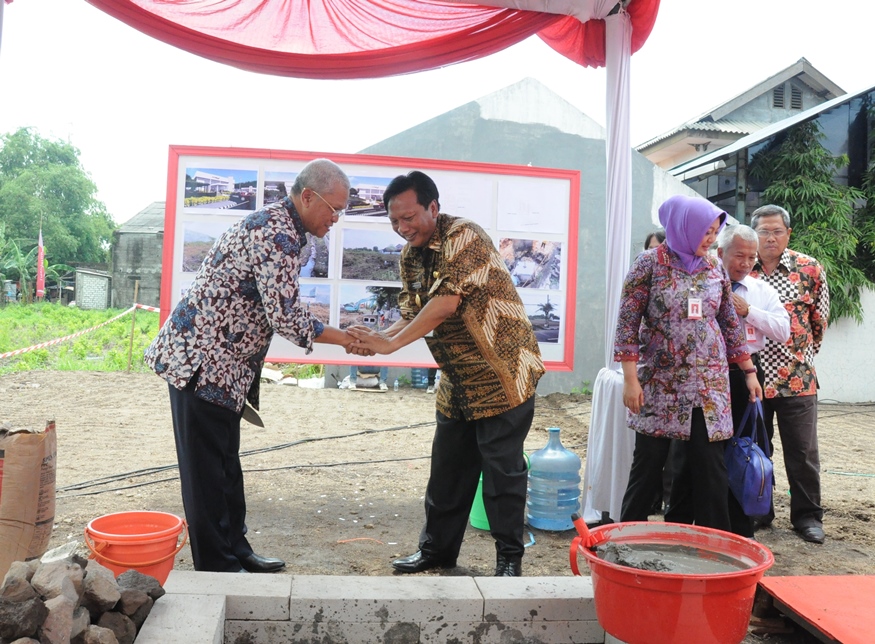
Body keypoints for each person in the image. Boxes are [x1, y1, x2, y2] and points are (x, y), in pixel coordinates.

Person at [145, 158, 363, 573]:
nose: (337, 218)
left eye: (343, 210)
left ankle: (237, 549)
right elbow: (285, 315)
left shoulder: (292, 231)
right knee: (206, 472)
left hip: (226, 368)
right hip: (201, 362)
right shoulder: (276, 232)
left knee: (226, 463)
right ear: (307, 196)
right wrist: (347, 338)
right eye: (334, 208)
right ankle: (217, 565)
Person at [348, 170, 545, 577]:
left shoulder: (464, 236)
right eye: (395, 222)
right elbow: (410, 313)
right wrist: (377, 336)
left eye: (410, 217)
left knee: (501, 478)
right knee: (447, 474)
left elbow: (445, 303)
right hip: (458, 381)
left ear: (433, 207)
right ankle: (436, 552)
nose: (403, 228)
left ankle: (509, 559)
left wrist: (389, 345)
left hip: (502, 374)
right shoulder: (410, 255)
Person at [615, 194, 761, 531]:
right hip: (660, 384)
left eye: (714, 233)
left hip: (709, 386)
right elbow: (627, 324)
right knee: (648, 466)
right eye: (705, 232)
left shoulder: (713, 267)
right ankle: (624, 541)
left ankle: (716, 546)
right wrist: (630, 379)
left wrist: (748, 371)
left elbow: (728, 323)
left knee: (710, 469)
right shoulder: (648, 264)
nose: (710, 240)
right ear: (684, 227)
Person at [749, 204, 829, 544]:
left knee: (802, 453)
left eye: (776, 231)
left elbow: (819, 321)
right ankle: (758, 511)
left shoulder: (808, 268)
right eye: (763, 232)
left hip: (797, 378)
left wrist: (801, 355)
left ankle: (807, 516)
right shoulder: (740, 267)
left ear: (788, 234)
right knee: (754, 450)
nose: (769, 238)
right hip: (751, 377)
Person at [717, 224, 790, 537]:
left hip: (746, 375)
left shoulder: (761, 290)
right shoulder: (704, 284)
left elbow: (783, 330)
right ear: (721, 254)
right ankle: (707, 518)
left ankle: (741, 525)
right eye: (739, 256)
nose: (746, 263)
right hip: (708, 373)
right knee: (706, 450)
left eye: (751, 257)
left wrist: (749, 312)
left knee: (745, 447)